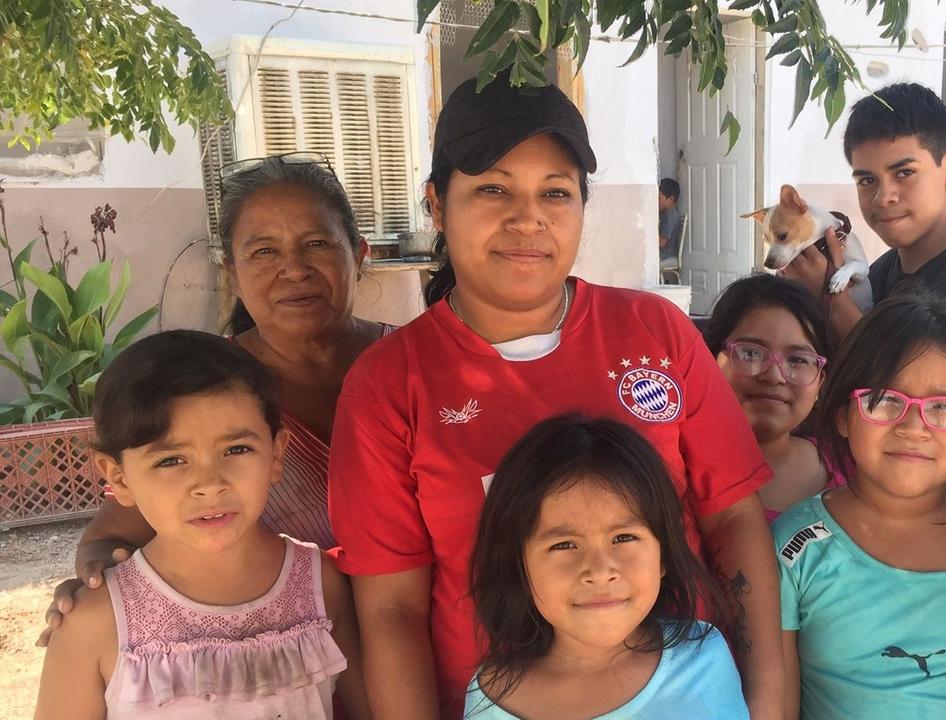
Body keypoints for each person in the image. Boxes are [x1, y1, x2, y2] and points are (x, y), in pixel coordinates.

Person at [328, 72, 781, 720]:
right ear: (436, 203)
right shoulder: (387, 386)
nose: (528, 219)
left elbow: (734, 520)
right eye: (493, 189)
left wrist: (768, 702)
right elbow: (392, 610)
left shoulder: (656, 333)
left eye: (556, 193)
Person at [39, 153, 390, 646]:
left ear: (359, 252)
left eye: (316, 243)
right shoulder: (201, 392)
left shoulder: (421, 365)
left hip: (429, 644)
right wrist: (100, 586)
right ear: (231, 269)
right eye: (263, 251)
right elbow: (110, 537)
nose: (293, 269)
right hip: (287, 658)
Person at [34, 330, 370, 720]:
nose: (210, 484)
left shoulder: (320, 584)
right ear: (119, 478)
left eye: (236, 449)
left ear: (276, 453)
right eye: (171, 460)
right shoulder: (94, 621)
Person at [774, 290, 946, 719]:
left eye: (944, 407)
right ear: (843, 415)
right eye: (885, 401)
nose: (914, 426)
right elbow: (777, 705)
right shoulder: (797, 547)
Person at [464, 414, 749, 719]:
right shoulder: (492, 701)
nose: (600, 571)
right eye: (563, 545)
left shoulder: (702, 656)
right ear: (518, 565)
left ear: (664, 553)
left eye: (624, 537)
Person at [790, 83, 946, 384]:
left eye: (904, 173)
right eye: (867, 180)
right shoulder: (879, 274)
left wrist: (834, 305)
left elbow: (943, 398)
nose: (883, 197)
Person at [703, 274, 842, 521]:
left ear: (821, 382)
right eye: (750, 353)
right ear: (710, 360)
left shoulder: (850, 467)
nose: (774, 375)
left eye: (798, 359)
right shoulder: (675, 475)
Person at [658, 177, 681, 262]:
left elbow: (662, 243)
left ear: (671, 199)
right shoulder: (665, 213)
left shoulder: (670, 216)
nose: (656, 201)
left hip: (662, 255)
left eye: (659, 198)